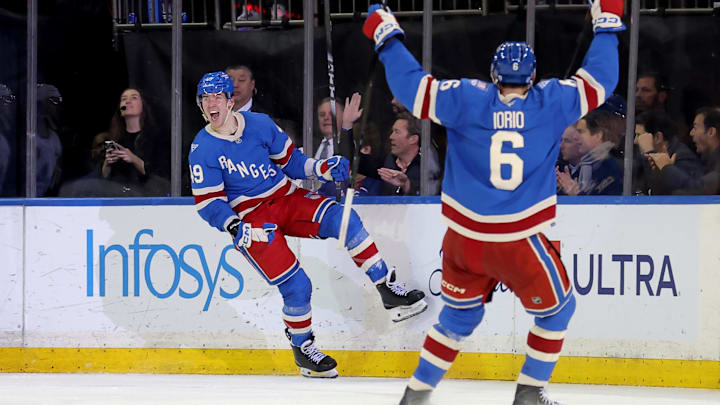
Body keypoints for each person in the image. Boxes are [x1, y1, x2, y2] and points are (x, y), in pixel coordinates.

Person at [362, 0, 624, 403]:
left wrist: (387, 36)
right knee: (558, 311)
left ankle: (416, 393)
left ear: (493, 75)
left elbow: (412, 88)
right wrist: (605, 24)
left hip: (464, 240)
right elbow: (602, 79)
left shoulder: (467, 97)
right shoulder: (551, 101)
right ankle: (529, 393)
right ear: (533, 76)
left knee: (458, 316)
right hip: (518, 240)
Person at [188, 71, 428, 379]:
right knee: (297, 286)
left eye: (217, 97)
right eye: (205, 99)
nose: (211, 104)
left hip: (287, 198)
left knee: (343, 218)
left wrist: (323, 168)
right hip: (253, 220)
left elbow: (293, 162)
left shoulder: (260, 124)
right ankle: (303, 349)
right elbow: (208, 203)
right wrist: (233, 226)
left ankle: (386, 287)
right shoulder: (202, 148)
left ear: (230, 101)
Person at [98, 87, 170, 195]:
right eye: (124, 99)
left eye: (134, 98)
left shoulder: (157, 138)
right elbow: (102, 180)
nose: (127, 101)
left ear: (143, 105)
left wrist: (133, 158)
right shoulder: (115, 139)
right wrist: (107, 164)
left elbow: (161, 176)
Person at [359, 112, 441, 196]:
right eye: (392, 131)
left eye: (397, 132)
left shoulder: (428, 167)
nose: (391, 137)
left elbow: (431, 198)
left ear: (412, 139)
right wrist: (347, 126)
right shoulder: (387, 162)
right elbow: (358, 162)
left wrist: (407, 185)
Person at [647, 107, 720, 194]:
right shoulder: (706, 162)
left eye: (695, 128)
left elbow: (698, 190)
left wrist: (667, 167)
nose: (691, 133)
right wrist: (662, 171)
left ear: (711, 132)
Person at [634, 110, 703, 195]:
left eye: (639, 136)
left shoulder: (683, 158)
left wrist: (649, 153)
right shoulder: (639, 157)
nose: (635, 141)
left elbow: (677, 193)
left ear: (658, 137)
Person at [557, 110, 623, 196]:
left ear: (598, 136)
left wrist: (576, 194)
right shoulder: (582, 165)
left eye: (581, 132)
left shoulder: (613, 167)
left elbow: (605, 205)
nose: (575, 137)